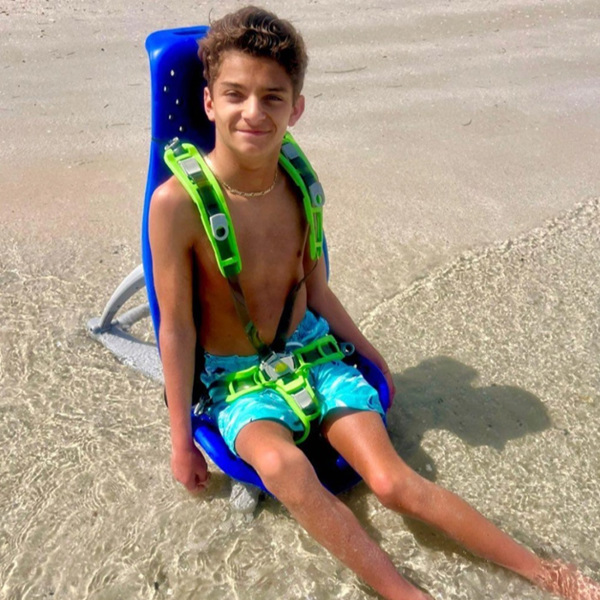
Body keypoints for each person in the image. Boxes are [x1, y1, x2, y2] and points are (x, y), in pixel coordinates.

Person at [149, 6, 599, 600]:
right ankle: (399, 590)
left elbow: (316, 289)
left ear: (297, 108)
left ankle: (546, 573)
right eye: (235, 94)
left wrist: (367, 352)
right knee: (285, 469)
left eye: (272, 97)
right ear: (209, 103)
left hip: (310, 353)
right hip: (236, 385)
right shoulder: (175, 204)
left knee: (392, 482)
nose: (252, 112)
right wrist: (181, 439)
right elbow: (176, 328)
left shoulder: (299, 187)